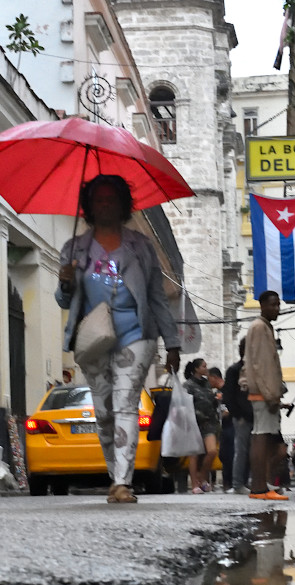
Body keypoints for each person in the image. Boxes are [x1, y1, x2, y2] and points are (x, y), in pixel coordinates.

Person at [56, 174, 181, 504]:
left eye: (112, 199)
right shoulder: (74, 249)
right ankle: (115, 474)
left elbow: (156, 296)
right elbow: (64, 301)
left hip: (135, 334)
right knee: (104, 412)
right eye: (99, 199)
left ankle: (122, 482)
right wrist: (65, 282)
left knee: (125, 403)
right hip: (93, 338)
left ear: (124, 205)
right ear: (89, 206)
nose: (105, 204)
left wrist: (172, 341)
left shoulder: (140, 247)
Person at [245, 290, 288, 501]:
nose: (276, 309)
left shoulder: (262, 327)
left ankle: (261, 485)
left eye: (278, 305)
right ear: (262, 305)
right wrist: (272, 395)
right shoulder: (260, 328)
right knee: (261, 437)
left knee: (261, 437)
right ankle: (259, 487)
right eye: (272, 305)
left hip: (263, 392)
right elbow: (261, 366)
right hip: (264, 394)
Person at [182, 358, 220, 494]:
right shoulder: (188, 385)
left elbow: (210, 401)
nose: (206, 368)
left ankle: (202, 477)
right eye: (204, 366)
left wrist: (216, 401)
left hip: (209, 422)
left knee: (212, 451)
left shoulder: (207, 384)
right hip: (194, 423)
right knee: (194, 454)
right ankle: (194, 484)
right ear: (196, 369)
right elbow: (185, 405)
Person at [222, 337, 253, 494]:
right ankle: (237, 483)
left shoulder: (252, 369)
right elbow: (228, 395)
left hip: (252, 414)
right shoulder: (234, 370)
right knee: (241, 450)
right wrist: (238, 414)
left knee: (251, 450)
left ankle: (246, 482)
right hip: (242, 416)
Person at [209, 366, 232, 491]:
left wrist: (226, 413)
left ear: (214, 377)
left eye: (209, 379)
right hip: (223, 427)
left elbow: (231, 407)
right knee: (223, 455)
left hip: (231, 425)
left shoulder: (228, 389)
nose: (208, 382)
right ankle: (226, 482)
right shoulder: (216, 394)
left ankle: (230, 482)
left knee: (229, 454)